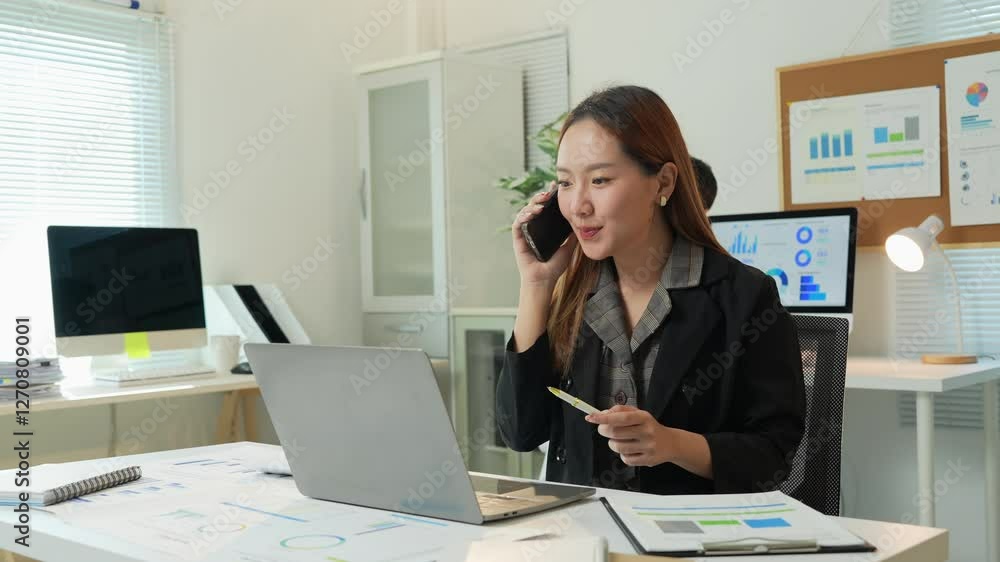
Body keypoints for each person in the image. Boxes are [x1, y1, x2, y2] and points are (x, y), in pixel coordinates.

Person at [496, 85, 805, 495]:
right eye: (566, 183)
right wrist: (536, 286)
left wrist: (672, 444)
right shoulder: (570, 295)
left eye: (600, 179)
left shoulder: (743, 296)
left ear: (662, 182)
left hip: (687, 541)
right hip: (584, 535)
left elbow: (774, 455)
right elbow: (520, 431)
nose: (579, 205)